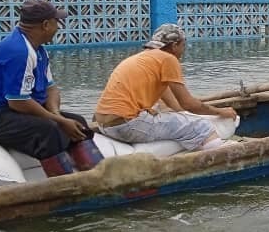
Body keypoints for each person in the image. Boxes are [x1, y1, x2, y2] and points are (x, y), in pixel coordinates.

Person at [0, 0, 103, 178]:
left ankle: (96, 174)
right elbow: (18, 102)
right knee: (49, 130)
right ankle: (65, 184)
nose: (59, 27)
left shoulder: (38, 50)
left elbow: (51, 89)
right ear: (45, 25)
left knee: (79, 122)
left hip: (9, 111)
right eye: (56, 22)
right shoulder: (18, 51)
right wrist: (59, 121)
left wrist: (58, 115)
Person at [94, 23, 238, 151]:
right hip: (127, 126)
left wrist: (183, 117)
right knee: (201, 126)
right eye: (183, 45)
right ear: (174, 45)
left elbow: (177, 107)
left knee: (180, 119)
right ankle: (218, 152)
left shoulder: (143, 59)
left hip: (104, 126)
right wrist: (220, 112)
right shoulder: (168, 59)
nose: (183, 50)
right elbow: (187, 104)